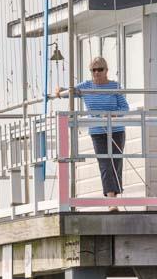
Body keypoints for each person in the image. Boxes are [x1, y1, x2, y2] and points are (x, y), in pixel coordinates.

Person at [55, 56, 129, 211]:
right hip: (97, 131)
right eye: (93, 70)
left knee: (115, 162)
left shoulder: (114, 86)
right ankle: (111, 200)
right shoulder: (86, 86)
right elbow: (70, 92)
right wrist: (59, 90)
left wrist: (112, 115)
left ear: (106, 71)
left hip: (116, 130)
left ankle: (113, 198)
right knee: (105, 163)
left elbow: (124, 107)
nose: (96, 73)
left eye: (100, 69)